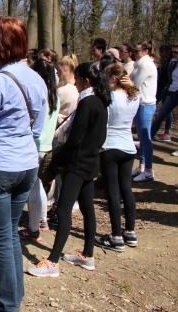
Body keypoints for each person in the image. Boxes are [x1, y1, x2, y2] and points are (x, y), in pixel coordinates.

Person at [0, 17, 47, 311]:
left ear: (0, 45)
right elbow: (38, 130)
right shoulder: (37, 78)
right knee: (10, 233)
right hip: (27, 165)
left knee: (1, 237)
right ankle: (13, 294)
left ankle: (5, 303)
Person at [27, 62, 111, 277]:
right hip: (91, 162)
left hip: (77, 164)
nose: (75, 83)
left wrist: (60, 159)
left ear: (86, 81)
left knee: (63, 210)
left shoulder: (88, 103)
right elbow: (100, 137)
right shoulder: (101, 102)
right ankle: (87, 255)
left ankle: (53, 262)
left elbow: (75, 139)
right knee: (87, 207)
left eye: (78, 79)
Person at [95, 63, 140, 252]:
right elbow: (137, 92)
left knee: (112, 192)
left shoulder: (110, 97)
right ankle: (130, 231)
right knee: (126, 190)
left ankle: (116, 235)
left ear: (113, 78)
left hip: (111, 147)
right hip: (128, 147)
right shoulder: (134, 96)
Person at [19, 58, 58, 242]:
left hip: (36, 144)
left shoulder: (39, 93)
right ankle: (41, 221)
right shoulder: (53, 93)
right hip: (47, 144)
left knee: (33, 188)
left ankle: (35, 228)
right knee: (39, 185)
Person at [49, 55, 79, 215]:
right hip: (69, 135)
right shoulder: (76, 89)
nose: (57, 73)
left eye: (58, 69)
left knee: (59, 174)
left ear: (65, 68)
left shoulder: (63, 91)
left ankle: (59, 206)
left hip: (59, 134)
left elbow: (51, 111)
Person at [129, 41, 158, 182]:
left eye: (138, 51)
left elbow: (134, 85)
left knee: (145, 139)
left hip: (146, 105)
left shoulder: (146, 66)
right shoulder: (140, 65)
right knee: (142, 139)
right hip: (141, 105)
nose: (135, 53)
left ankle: (148, 170)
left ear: (145, 51)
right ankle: (142, 166)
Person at [152, 44, 176, 142]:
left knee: (167, 113)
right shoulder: (171, 62)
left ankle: (167, 132)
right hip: (168, 91)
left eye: (176, 52)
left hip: (168, 90)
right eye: (173, 52)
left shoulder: (171, 61)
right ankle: (147, 138)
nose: (174, 54)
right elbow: (169, 77)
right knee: (160, 114)